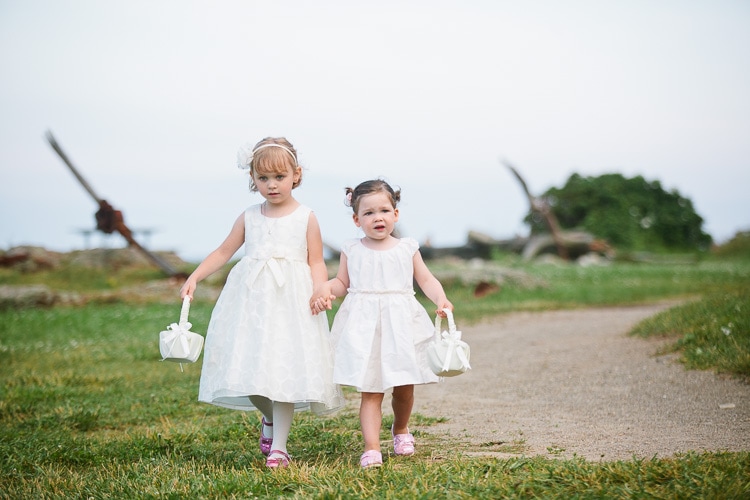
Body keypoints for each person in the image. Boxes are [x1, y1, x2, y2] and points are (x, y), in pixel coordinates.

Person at [180, 137, 344, 469]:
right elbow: (224, 252)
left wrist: (319, 289)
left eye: (279, 177)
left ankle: (279, 448)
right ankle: (268, 419)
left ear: (295, 175)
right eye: (263, 178)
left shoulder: (306, 217)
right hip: (251, 303)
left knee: (284, 368)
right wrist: (195, 276)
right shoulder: (249, 216)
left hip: (292, 302)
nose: (271, 185)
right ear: (252, 179)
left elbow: (315, 260)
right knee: (247, 369)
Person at [311, 179, 454, 469]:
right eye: (369, 213)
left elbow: (425, 279)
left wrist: (441, 299)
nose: (378, 217)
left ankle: (400, 429)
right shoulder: (352, 249)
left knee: (404, 386)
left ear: (395, 214)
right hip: (365, 328)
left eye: (385, 211)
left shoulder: (407, 248)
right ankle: (372, 447)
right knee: (371, 389)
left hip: (401, 324)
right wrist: (326, 288)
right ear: (356, 219)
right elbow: (342, 282)